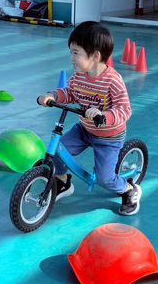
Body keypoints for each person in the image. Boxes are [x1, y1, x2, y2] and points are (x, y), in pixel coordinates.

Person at [37, 21, 141, 216]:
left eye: (76, 53)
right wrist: (52, 95)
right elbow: (69, 92)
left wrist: (103, 115)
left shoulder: (113, 81)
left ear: (95, 56)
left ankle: (129, 190)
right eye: (71, 52)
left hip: (109, 137)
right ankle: (62, 182)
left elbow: (125, 110)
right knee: (58, 151)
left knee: (104, 179)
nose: (71, 58)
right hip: (85, 129)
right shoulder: (79, 76)